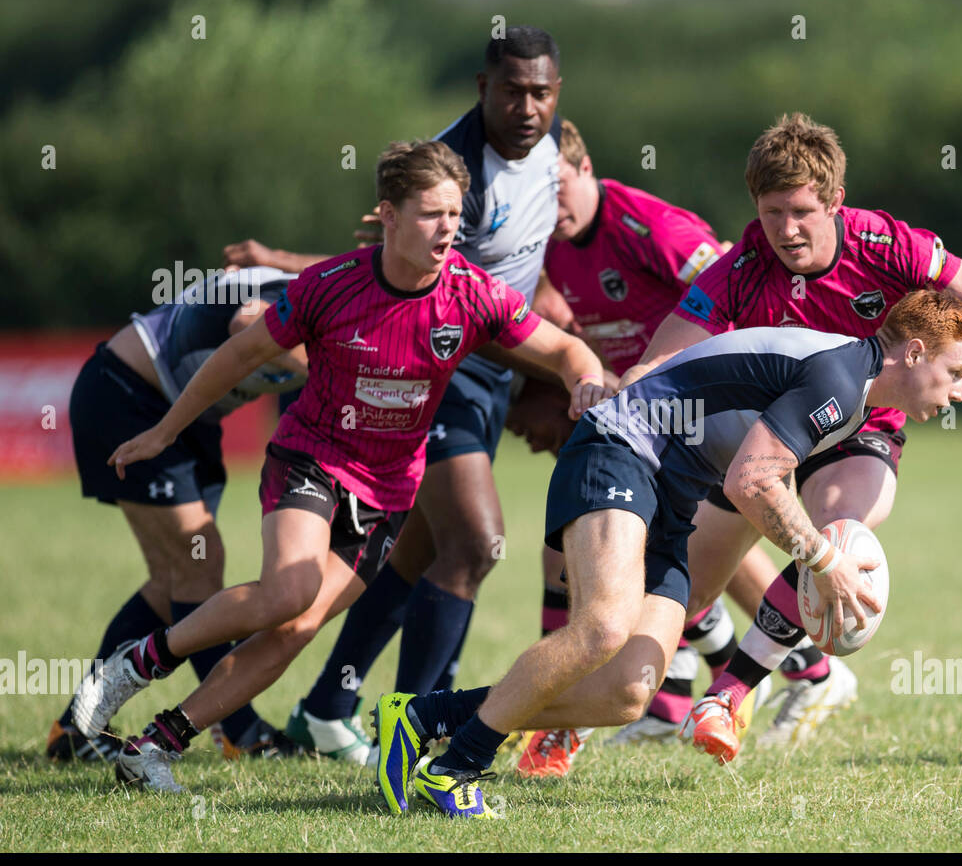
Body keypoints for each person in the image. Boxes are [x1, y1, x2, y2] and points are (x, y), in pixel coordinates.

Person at [70, 140, 607, 793]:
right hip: (312, 459)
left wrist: (586, 380)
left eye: (454, 214)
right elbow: (239, 354)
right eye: (430, 214)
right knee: (287, 593)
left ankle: (151, 747)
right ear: (387, 213)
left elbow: (564, 349)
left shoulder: (472, 295)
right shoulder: (329, 286)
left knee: (294, 629)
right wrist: (164, 429)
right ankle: (135, 664)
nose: (447, 229)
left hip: (387, 491)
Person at [373, 287, 962, 818]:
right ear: (913, 353)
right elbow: (753, 482)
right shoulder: (841, 379)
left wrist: (817, 556)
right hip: (621, 448)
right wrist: (823, 562)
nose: (957, 392)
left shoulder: (852, 393)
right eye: (955, 373)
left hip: (672, 493)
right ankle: (455, 767)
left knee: (628, 692)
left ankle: (427, 717)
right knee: (603, 627)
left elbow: (746, 478)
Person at [618, 112, 962, 758]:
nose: (787, 230)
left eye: (801, 211)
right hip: (768, 437)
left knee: (838, 529)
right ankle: (574, 719)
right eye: (771, 212)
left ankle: (729, 693)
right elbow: (665, 356)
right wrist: (615, 390)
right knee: (688, 587)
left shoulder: (889, 247)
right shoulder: (742, 266)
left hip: (862, 429)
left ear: (834, 203)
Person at [224, 27, 570, 761]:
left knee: (411, 551)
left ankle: (327, 705)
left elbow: (533, 242)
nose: (527, 106)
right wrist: (277, 261)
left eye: (541, 92)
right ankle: (418, 726)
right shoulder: (455, 174)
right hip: (435, 369)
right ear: (484, 89)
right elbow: (375, 270)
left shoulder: (555, 145)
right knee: (474, 542)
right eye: (512, 91)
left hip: (491, 365)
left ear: (557, 93)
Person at [509, 118, 780, 777]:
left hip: (700, 408)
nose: (549, 210)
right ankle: (671, 695)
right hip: (639, 414)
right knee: (624, 564)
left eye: (557, 189)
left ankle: (794, 666)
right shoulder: (551, 242)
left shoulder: (648, 226)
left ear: (586, 167)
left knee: (674, 561)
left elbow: (731, 290)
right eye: (534, 199)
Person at [52, 267, 307, 762]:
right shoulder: (314, 294)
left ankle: (75, 729)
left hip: (188, 415)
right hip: (129, 394)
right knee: (197, 566)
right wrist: (326, 364)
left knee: (176, 579)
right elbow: (245, 322)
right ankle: (239, 729)